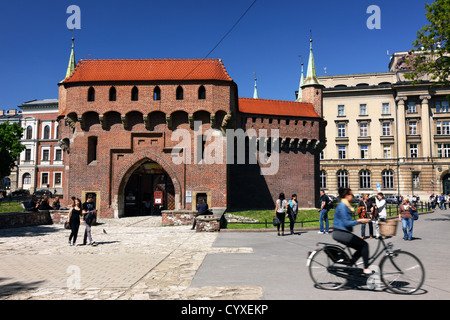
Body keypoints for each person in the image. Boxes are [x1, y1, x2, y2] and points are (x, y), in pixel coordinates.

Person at [332, 187, 372, 275]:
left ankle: (349, 266)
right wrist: (359, 221)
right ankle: (366, 268)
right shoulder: (343, 206)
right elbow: (346, 223)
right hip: (341, 233)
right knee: (364, 245)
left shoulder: (345, 205)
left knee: (360, 247)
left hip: (342, 232)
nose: (353, 196)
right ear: (346, 196)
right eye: (351, 195)